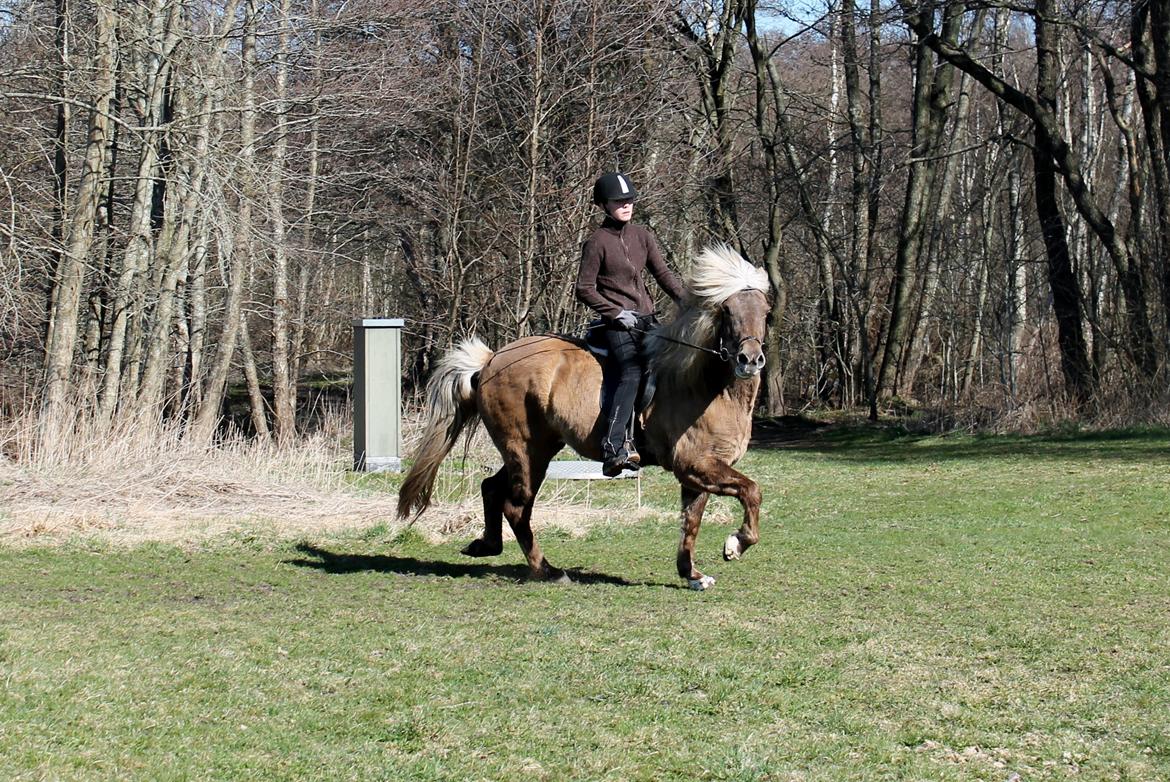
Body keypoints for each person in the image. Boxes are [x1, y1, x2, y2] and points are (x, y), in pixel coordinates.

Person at [575, 171, 686, 477]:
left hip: (646, 319)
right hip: (617, 325)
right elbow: (584, 288)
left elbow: (663, 274)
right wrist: (613, 312)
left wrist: (685, 300)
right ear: (604, 205)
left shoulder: (642, 236)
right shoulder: (597, 242)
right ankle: (614, 447)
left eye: (629, 200)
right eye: (618, 201)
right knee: (632, 370)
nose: (626, 205)